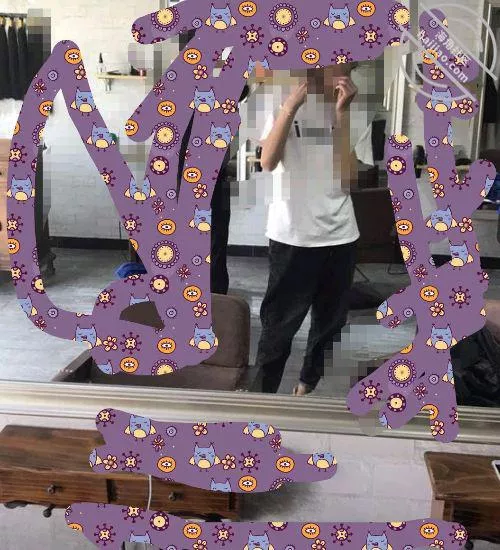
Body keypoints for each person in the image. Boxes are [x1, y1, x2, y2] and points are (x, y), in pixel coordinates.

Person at [255, 63, 360, 395]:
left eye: (348, 69)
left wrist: (342, 115)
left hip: (341, 233)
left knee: (330, 323)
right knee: (279, 324)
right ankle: (262, 395)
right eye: (337, 67)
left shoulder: (352, 104)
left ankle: (305, 388)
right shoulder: (278, 97)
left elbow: (347, 180)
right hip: (293, 234)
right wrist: (290, 107)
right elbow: (267, 162)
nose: (342, 76)